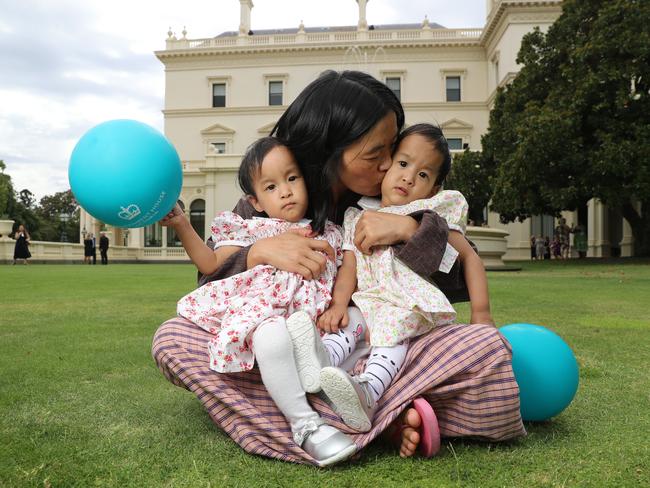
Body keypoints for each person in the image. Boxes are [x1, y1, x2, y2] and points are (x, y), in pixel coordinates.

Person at [151, 70, 525, 465]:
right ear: (330, 151)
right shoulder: (270, 197)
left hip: (375, 342)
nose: (389, 167)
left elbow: (454, 281)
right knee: (174, 340)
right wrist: (258, 253)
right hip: (281, 349)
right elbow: (209, 282)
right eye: (375, 154)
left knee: (486, 349)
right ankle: (373, 417)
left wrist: (409, 229)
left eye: (392, 149)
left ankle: (331, 414)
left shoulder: (394, 204)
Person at [287, 124, 492, 439]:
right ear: (387, 166)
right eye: (404, 163)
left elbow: (469, 258)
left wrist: (481, 313)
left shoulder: (428, 215)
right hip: (368, 301)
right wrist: (340, 304)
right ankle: (319, 361)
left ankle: (369, 392)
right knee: (347, 322)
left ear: (435, 189)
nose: (409, 177)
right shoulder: (357, 215)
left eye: (423, 175)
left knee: (390, 340)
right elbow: (350, 266)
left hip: (405, 304)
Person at [165, 137, 357, 467]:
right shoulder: (251, 229)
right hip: (266, 313)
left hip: (315, 322)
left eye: (292, 178)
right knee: (272, 337)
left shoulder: (330, 232)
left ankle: (327, 380)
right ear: (255, 200)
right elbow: (211, 264)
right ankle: (305, 425)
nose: (285, 191)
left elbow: (346, 273)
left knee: (345, 336)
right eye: (271, 186)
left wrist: (340, 305)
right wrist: (182, 223)